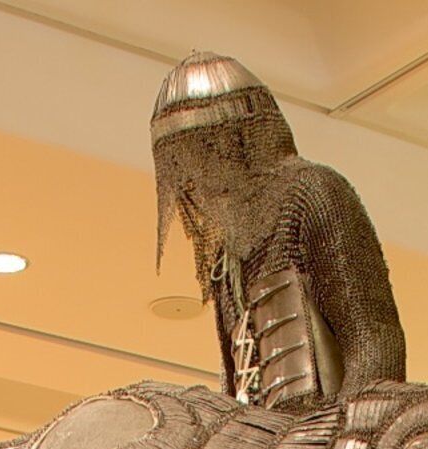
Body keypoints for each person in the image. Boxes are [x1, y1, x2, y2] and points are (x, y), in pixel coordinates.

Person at [152, 53, 404, 413]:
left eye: (205, 146)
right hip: (263, 439)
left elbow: (372, 338)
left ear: (239, 136)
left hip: (323, 425)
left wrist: (350, 437)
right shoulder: (228, 253)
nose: (196, 169)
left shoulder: (313, 193)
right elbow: (236, 377)